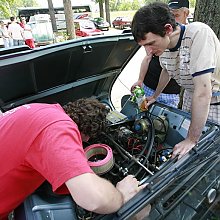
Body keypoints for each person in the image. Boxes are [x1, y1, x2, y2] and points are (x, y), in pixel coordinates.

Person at [0, 98, 147, 219]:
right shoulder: (59, 128)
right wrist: (121, 195)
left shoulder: (45, 109)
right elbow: (94, 198)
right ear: (87, 134)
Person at [131, 2, 220, 159]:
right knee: (186, 140)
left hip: (213, 98)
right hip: (191, 95)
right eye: (144, 46)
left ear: (168, 29)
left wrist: (192, 139)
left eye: (151, 43)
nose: (148, 51)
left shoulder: (198, 34)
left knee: (211, 148)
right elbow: (167, 70)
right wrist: (155, 96)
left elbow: (203, 91)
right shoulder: (163, 48)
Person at [131, 0, 190, 108]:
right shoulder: (158, 35)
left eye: (176, 15)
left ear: (186, 13)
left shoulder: (190, 38)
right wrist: (141, 80)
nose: (173, 20)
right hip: (149, 86)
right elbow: (160, 66)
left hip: (170, 93)